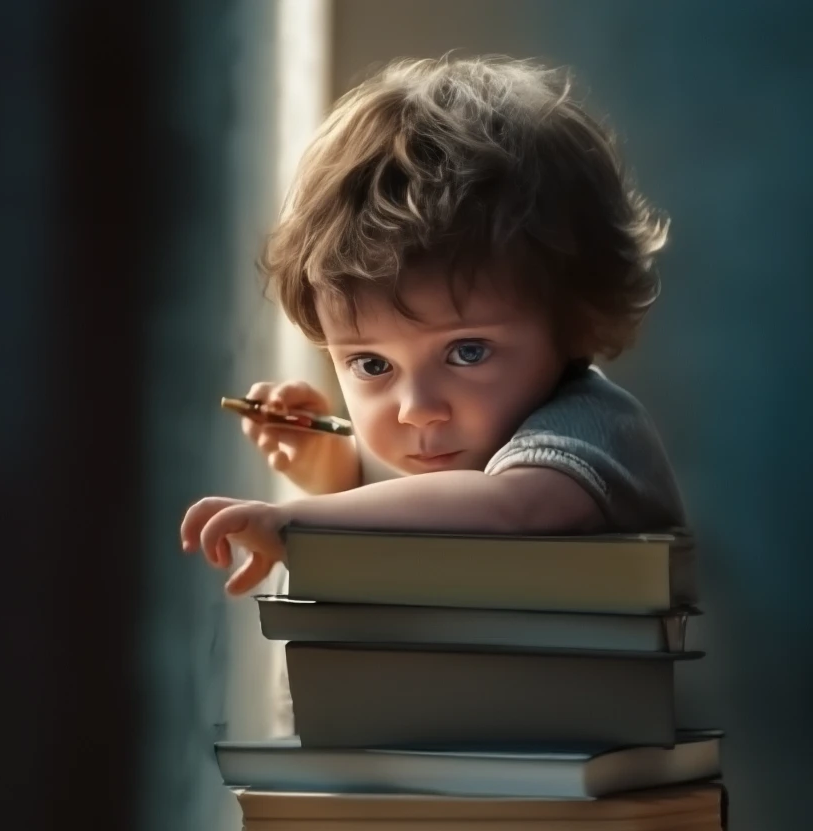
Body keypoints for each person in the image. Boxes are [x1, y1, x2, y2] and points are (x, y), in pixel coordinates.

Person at [181, 54, 687, 595]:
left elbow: (512, 509)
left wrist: (301, 518)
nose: (416, 408)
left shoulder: (587, 423)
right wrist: (339, 472)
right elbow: (436, 515)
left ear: (575, 320)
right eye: (372, 364)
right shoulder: (470, 445)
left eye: (467, 352)